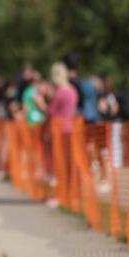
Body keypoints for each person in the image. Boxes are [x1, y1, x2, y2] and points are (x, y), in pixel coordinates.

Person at [46, 62, 78, 208]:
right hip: (71, 128)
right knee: (68, 163)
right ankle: (69, 194)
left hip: (58, 130)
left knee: (58, 164)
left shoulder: (58, 92)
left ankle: (59, 195)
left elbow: (50, 112)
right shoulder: (72, 91)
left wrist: (41, 102)